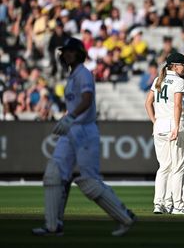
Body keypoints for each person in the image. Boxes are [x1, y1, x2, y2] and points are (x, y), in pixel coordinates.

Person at [32, 38, 136, 237]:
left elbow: (87, 100)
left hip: (85, 131)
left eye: (71, 51)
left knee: (89, 182)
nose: (67, 54)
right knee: (54, 175)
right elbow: (76, 103)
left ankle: (125, 217)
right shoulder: (72, 76)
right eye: (65, 52)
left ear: (79, 54)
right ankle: (53, 227)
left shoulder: (84, 74)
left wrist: (70, 117)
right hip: (72, 129)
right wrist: (67, 117)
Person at [145, 52, 184, 215]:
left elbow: (147, 103)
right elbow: (178, 106)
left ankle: (160, 204)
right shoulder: (179, 81)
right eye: (183, 65)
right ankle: (178, 205)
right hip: (175, 124)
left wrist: (155, 122)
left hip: (159, 125)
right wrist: (175, 126)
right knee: (179, 167)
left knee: (164, 167)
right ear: (174, 66)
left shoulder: (158, 80)